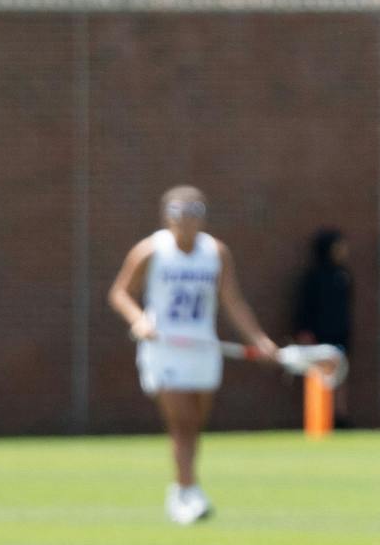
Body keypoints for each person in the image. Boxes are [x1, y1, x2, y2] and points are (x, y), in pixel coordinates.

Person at [108, 186, 280, 525]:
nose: (187, 222)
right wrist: (140, 319)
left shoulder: (215, 252)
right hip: (164, 349)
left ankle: (183, 488)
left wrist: (259, 340)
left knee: (195, 424)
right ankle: (187, 491)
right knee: (182, 422)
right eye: (180, 215)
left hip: (203, 347)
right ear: (167, 217)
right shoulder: (150, 250)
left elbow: (232, 300)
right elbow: (120, 293)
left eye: (193, 214)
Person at [293, 227, 354, 428]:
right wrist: (304, 333)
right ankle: (319, 419)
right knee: (318, 376)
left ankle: (340, 418)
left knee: (340, 376)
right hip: (319, 335)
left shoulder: (344, 276)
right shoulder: (314, 277)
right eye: (339, 247)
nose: (343, 251)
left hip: (340, 333)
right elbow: (304, 307)